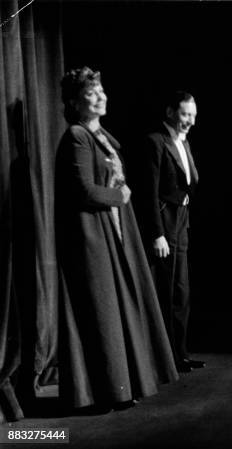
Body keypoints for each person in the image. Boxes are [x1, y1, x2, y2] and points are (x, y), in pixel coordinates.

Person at [55, 67, 178, 412]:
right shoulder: (77, 136)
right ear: (74, 102)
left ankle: (125, 386)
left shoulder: (101, 137)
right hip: (93, 236)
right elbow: (82, 190)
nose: (101, 96)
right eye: (92, 93)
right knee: (103, 313)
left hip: (115, 231)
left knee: (120, 307)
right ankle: (106, 391)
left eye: (101, 91)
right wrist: (119, 197)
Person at [133, 91, 204, 372]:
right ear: (171, 112)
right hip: (165, 225)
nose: (190, 121)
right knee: (166, 292)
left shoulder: (182, 142)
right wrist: (157, 233)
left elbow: (189, 183)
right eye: (186, 114)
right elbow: (149, 193)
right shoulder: (156, 142)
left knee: (181, 293)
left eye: (193, 116)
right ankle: (166, 359)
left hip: (181, 223)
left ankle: (180, 355)